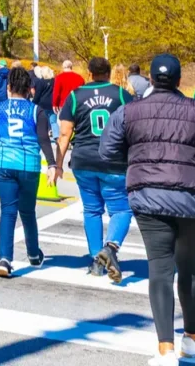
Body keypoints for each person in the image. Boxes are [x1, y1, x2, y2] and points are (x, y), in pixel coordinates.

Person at [100, 54, 195, 366]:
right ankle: (193, 338)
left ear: (151, 79)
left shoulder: (130, 110)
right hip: (193, 198)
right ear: (179, 80)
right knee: (189, 266)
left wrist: (137, 160)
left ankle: (165, 350)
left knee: (159, 269)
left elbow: (107, 150)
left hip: (149, 196)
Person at [56, 57, 131, 282]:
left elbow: (64, 134)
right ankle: (110, 247)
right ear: (108, 74)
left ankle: (96, 259)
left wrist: (57, 164)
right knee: (121, 209)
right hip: (114, 161)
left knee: (91, 210)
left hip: (84, 159)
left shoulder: (75, 96)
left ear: (89, 74)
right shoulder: (121, 95)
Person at [0, 67, 57, 278]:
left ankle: (4, 259)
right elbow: (44, 140)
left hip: (3, 165)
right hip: (29, 166)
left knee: (8, 212)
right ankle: (33, 254)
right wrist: (52, 164)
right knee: (28, 212)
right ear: (30, 89)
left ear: (9, 87)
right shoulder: (36, 111)